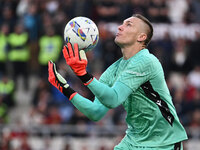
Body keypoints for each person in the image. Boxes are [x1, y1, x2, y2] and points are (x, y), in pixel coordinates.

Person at [48, 14, 188, 149]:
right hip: (133, 141)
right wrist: (64, 87)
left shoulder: (147, 61)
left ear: (141, 37)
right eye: (122, 24)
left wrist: (84, 75)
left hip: (163, 142)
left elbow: (113, 99)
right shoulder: (113, 70)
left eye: (128, 25)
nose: (120, 27)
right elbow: (96, 112)